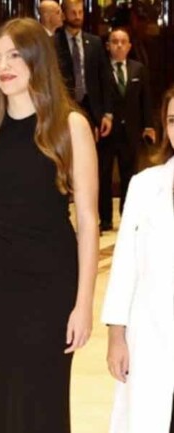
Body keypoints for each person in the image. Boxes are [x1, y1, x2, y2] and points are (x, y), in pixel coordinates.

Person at [0, 18, 98, 433]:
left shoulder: (70, 126)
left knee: (45, 402)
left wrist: (84, 303)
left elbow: (87, 219)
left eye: (15, 55)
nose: (3, 65)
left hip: (51, 284)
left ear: (38, 59)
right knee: (1, 399)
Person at [102, 84, 174, 433]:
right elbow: (125, 265)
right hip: (152, 337)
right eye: (173, 120)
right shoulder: (145, 185)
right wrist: (117, 336)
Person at [100, 27, 154, 226]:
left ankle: (127, 216)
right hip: (108, 132)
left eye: (123, 41)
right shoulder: (102, 68)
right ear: (108, 46)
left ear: (130, 46)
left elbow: (145, 100)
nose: (119, 45)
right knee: (104, 175)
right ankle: (105, 219)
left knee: (129, 175)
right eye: (115, 41)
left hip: (130, 131)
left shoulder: (138, 69)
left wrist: (149, 125)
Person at [54, 0, 113, 141]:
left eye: (80, 12)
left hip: (92, 107)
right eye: (73, 12)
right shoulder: (53, 43)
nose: (77, 16)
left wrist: (108, 113)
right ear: (63, 14)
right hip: (65, 106)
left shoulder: (95, 42)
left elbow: (105, 78)